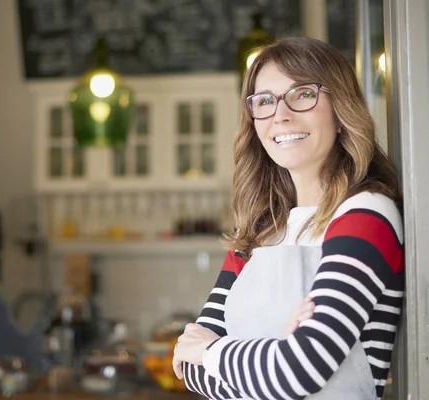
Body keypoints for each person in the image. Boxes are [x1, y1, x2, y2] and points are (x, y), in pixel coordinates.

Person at [172, 37, 404, 400]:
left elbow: (300, 370)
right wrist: (275, 355)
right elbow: (187, 370)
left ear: (341, 109)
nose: (281, 114)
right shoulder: (257, 234)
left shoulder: (366, 215)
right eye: (264, 100)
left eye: (303, 94)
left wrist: (211, 351)